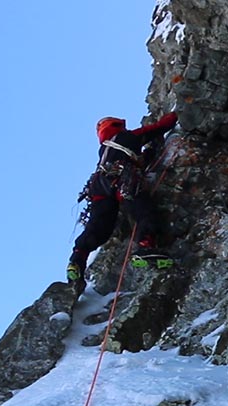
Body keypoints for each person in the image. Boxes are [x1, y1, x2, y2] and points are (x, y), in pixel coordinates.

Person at [68, 112, 178, 282]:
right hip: (121, 178)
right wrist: (176, 115)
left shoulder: (104, 148)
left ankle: (77, 259)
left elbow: (136, 159)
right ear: (117, 126)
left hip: (99, 186)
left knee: (99, 226)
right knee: (143, 210)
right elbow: (157, 128)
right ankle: (145, 247)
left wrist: (146, 155)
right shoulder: (127, 137)